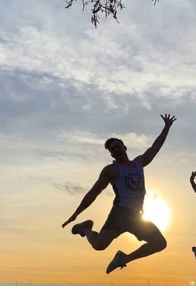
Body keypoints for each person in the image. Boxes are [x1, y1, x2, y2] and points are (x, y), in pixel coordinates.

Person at [62, 114, 177, 274]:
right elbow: (93, 193)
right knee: (99, 245)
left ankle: (123, 258)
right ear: (111, 155)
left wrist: (167, 127)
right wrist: (76, 213)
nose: (115, 149)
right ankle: (85, 229)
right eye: (112, 149)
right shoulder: (111, 170)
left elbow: (155, 148)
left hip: (137, 216)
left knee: (159, 243)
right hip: (120, 214)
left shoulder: (139, 163)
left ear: (124, 147)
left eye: (117, 146)